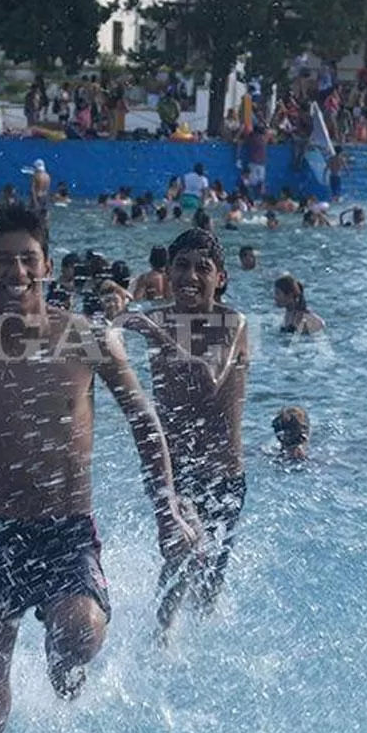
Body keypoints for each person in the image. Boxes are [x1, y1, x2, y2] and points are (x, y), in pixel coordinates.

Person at [0, 205, 194, 733]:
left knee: (79, 635)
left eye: (28, 258)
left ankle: (66, 678)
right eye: (3, 260)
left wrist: (167, 511)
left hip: (67, 531)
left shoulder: (89, 340)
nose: (16, 271)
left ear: (46, 266)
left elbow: (146, 425)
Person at [121, 228, 250, 635]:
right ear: (167, 272)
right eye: (181, 266)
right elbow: (87, 352)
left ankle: (195, 648)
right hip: (172, 470)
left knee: (209, 586)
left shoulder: (232, 321)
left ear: (220, 278)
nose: (190, 276)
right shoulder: (155, 317)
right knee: (182, 550)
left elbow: (208, 379)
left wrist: (153, 333)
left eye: (203, 268)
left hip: (224, 475)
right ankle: (158, 642)